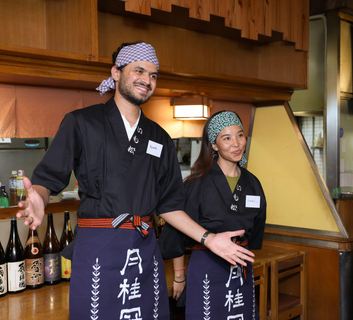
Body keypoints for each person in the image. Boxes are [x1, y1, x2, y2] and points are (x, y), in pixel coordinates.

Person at [16, 42, 255, 320]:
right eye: (139, 70)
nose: (147, 80)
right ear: (116, 73)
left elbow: (170, 205)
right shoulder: (82, 123)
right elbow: (48, 178)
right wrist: (39, 197)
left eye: (153, 75)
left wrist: (209, 239)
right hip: (99, 246)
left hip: (143, 248)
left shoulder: (160, 137)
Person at [159, 110, 267, 319]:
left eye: (240, 135)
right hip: (208, 265)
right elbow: (176, 233)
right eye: (226, 138)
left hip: (241, 268)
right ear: (214, 145)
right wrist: (179, 276)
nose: (236, 143)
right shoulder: (195, 184)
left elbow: (256, 231)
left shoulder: (253, 183)